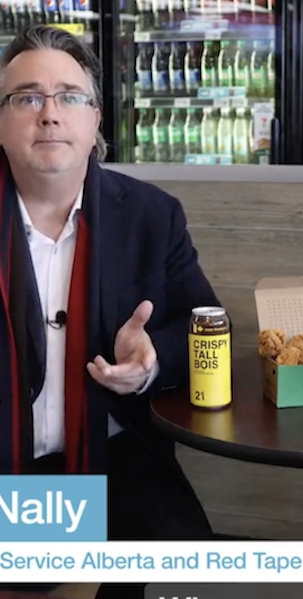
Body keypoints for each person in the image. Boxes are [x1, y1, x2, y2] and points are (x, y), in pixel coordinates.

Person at [0, 26, 219, 599]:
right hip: (8, 463)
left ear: (95, 119)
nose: (50, 114)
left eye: (69, 96)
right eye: (27, 97)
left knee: (186, 574)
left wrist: (149, 362)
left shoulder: (151, 215)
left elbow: (205, 328)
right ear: (1, 123)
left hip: (111, 454)